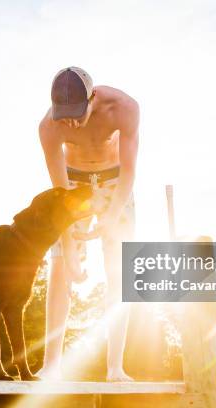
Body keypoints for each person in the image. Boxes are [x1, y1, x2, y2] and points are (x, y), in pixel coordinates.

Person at [37, 67, 139, 382]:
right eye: (64, 116)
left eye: (76, 115)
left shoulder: (124, 108)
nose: (71, 123)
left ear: (92, 97)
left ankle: (115, 367)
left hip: (115, 181)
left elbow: (129, 170)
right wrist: (68, 247)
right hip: (73, 183)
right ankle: (51, 365)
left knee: (118, 270)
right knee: (60, 268)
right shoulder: (49, 127)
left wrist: (111, 215)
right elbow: (60, 192)